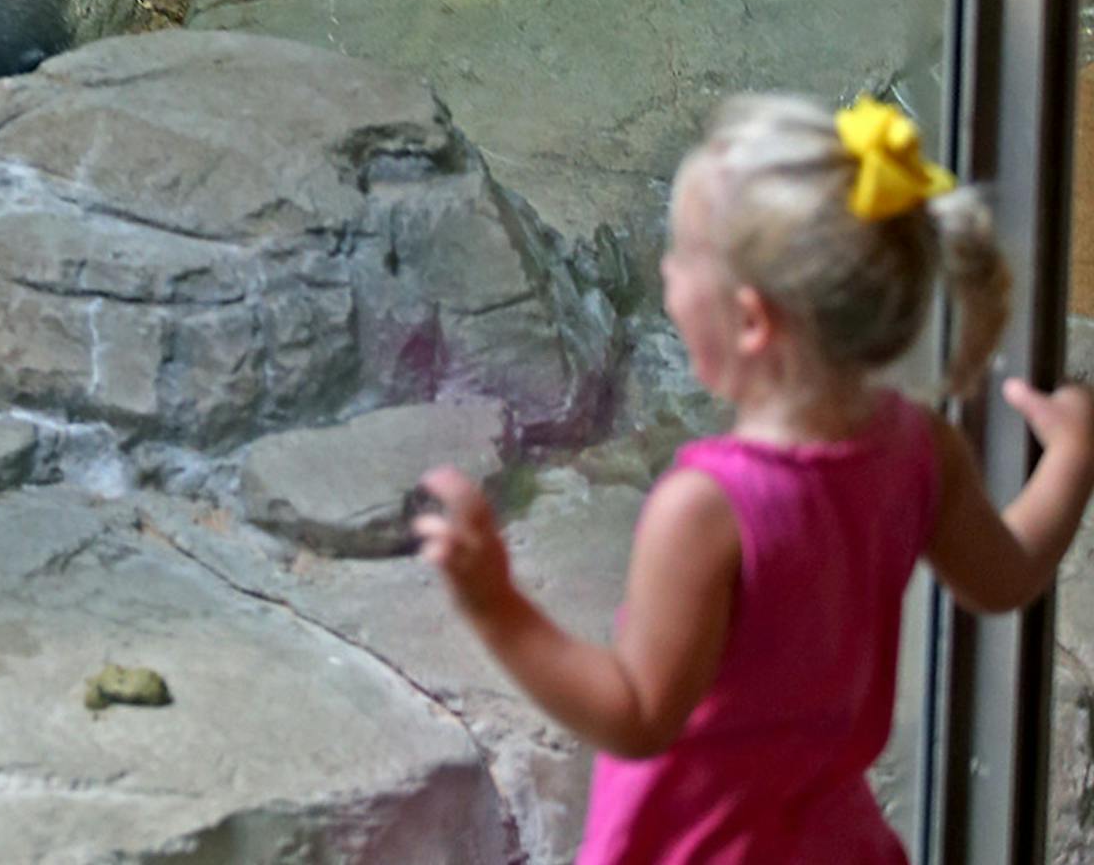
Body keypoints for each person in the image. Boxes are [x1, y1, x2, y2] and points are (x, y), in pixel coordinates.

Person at [414, 93, 1094, 861]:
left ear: (750, 320)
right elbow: (1006, 575)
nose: (667, 280)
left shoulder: (707, 510)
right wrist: (1071, 456)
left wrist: (497, 607)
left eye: (680, 261)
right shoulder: (918, 448)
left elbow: (638, 714)